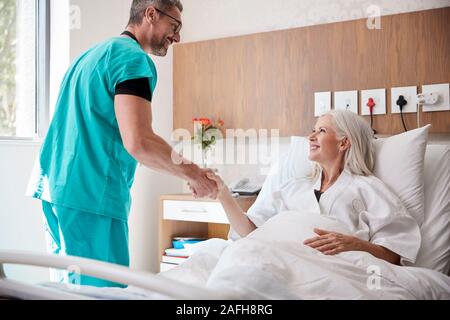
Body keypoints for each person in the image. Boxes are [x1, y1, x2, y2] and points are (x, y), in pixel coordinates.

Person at [27, 0, 217, 287]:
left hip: (54, 190)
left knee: (68, 291)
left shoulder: (89, 57)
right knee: (102, 293)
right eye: (174, 26)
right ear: (151, 13)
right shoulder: (133, 60)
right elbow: (139, 141)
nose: (177, 36)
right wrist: (193, 173)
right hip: (90, 197)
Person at [206, 110, 421, 266]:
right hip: (281, 263)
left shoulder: (368, 189)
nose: (310, 136)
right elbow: (250, 233)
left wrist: (355, 244)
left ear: (343, 143)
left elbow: (395, 252)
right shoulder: (292, 188)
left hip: (337, 271)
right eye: (313, 130)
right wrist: (223, 194)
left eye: (321, 130)